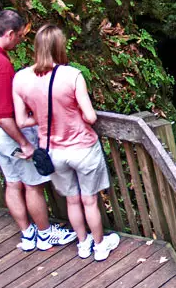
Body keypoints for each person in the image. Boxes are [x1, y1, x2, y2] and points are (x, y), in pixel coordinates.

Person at [0, 9, 76, 251]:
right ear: (9, 34)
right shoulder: (0, 64)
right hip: (9, 133)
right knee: (32, 186)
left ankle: (27, 233)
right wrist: (25, 143)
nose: (20, 40)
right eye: (19, 36)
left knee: (12, 183)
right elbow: (3, 114)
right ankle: (43, 235)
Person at [13, 23, 120, 262]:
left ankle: (83, 244)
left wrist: (40, 119)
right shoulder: (72, 76)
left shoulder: (20, 79)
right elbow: (90, 116)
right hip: (82, 147)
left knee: (72, 200)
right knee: (89, 200)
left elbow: (21, 120)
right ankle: (100, 246)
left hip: (53, 151)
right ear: (60, 46)